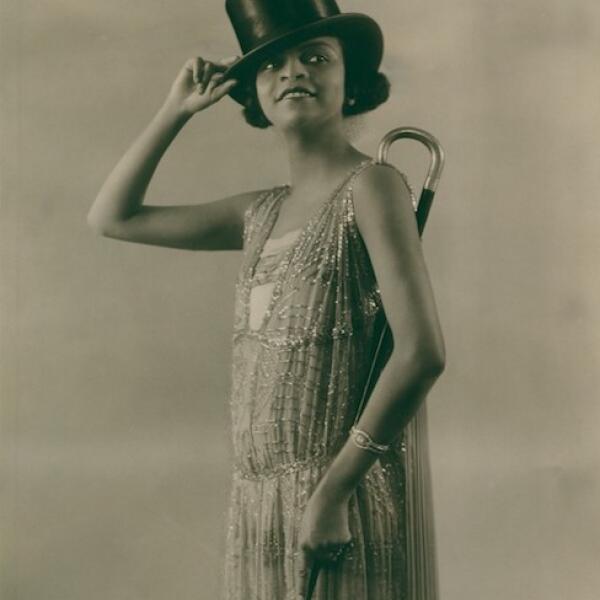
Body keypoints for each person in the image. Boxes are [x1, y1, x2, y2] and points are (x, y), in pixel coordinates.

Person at [87, 1, 446, 598]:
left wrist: (332, 493)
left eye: (316, 57)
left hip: (338, 498)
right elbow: (112, 217)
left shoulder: (373, 186)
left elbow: (421, 352)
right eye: (272, 64)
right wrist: (175, 111)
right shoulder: (257, 213)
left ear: (350, 82)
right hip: (256, 508)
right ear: (252, 94)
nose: (293, 72)